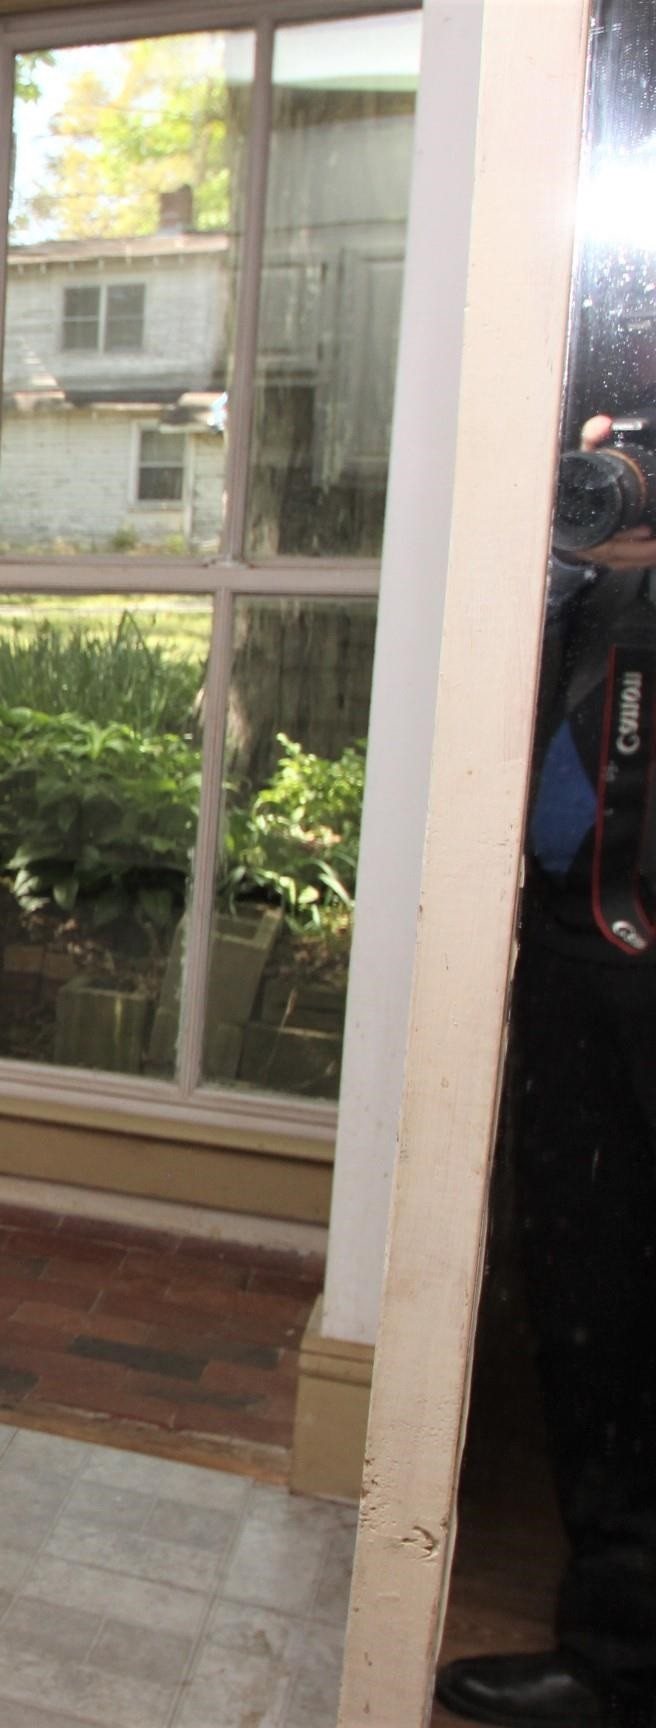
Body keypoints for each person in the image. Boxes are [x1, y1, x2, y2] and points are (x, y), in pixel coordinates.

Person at [436, 414, 656, 1728]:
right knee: (592, 1296)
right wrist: (565, 563)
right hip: (579, 953)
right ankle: (620, 1646)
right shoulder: (591, 587)